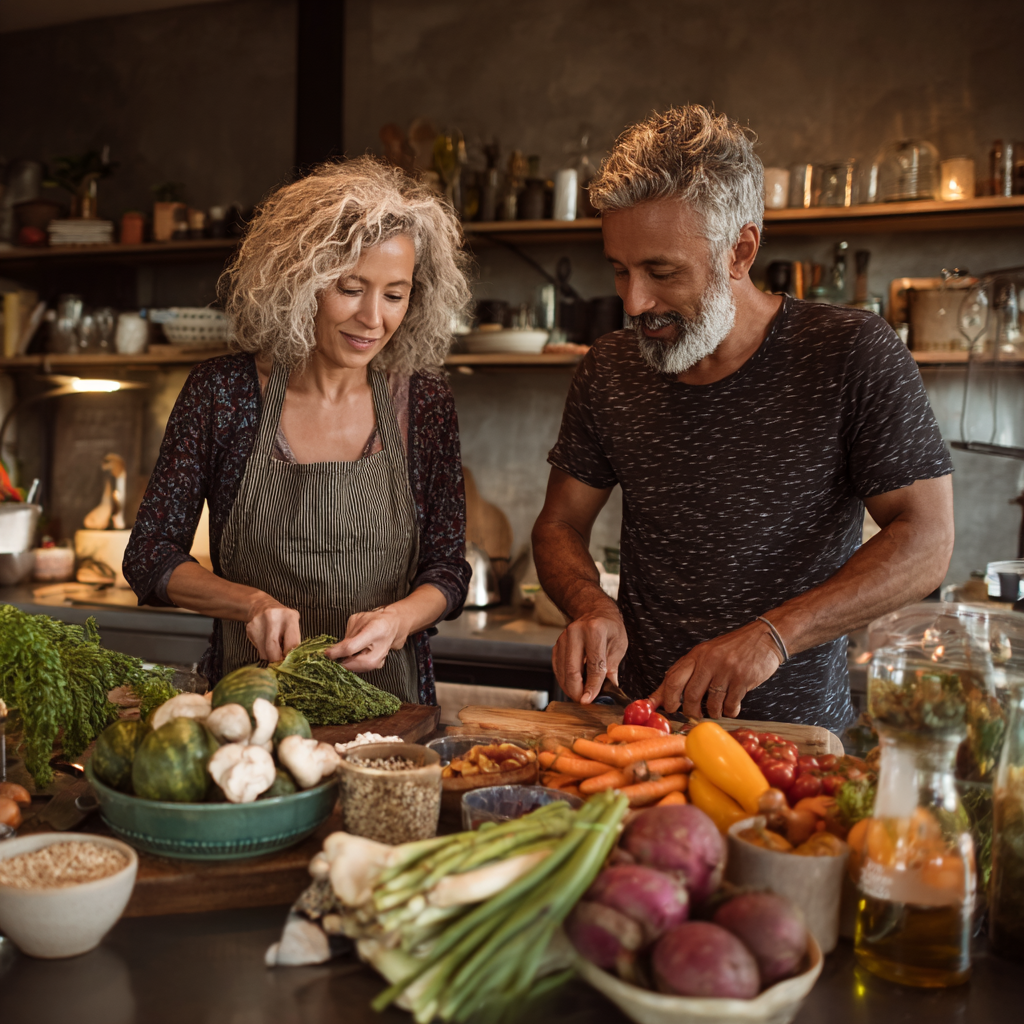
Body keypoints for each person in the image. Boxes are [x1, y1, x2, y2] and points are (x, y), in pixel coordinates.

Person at [532, 106, 954, 732]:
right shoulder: (611, 368)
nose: (634, 301)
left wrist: (771, 637)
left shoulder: (850, 353)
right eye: (620, 269)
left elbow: (927, 541)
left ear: (741, 250)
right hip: (640, 729)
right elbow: (559, 525)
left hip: (792, 738)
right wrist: (591, 606)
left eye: (661, 271)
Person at [124, 158, 472, 705]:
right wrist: (250, 604)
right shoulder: (224, 393)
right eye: (351, 287)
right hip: (250, 709)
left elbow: (448, 571)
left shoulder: (422, 402)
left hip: (391, 710)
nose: (373, 319)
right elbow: (149, 556)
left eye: (395, 294)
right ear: (298, 280)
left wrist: (399, 619)